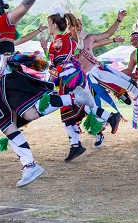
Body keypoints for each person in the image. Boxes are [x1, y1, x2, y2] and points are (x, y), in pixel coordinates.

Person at [0, 0, 95, 187]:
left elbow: (22, 9)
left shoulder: (4, 21)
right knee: (11, 122)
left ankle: (74, 97)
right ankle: (29, 165)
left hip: (8, 78)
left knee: (14, 119)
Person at [43, 8, 122, 160]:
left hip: (69, 78)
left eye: (48, 24)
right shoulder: (61, 41)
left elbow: (60, 57)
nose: (47, 27)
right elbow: (54, 59)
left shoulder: (63, 39)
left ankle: (109, 118)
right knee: (68, 113)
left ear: (54, 25)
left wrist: (56, 45)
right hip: (67, 78)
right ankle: (76, 145)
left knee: (78, 106)